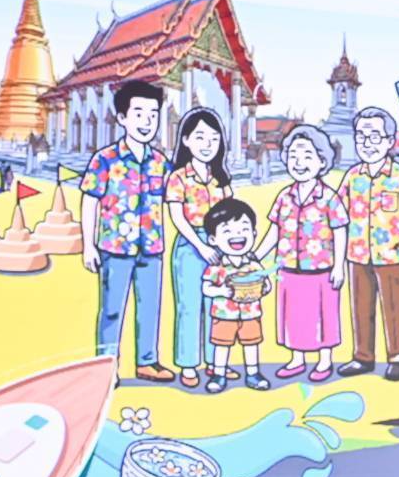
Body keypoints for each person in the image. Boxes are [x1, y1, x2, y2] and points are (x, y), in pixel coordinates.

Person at [80, 79, 175, 382]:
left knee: (149, 308)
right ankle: (106, 367)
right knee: (111, 310)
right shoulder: (105, 160)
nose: (147, 121)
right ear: (122, 118)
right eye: (139, 114)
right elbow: (90, 201)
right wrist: (88, 245)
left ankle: (147, 361)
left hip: (152, 246)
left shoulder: (161, 162)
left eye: (153, 114)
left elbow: (176, 198)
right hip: (115, 246)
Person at [336, 106, 399, 382]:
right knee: (361, 307)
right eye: (361, 137)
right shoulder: (353, 177)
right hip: (358, 254)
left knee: (395, 307)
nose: (367, 143)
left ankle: (397, 357)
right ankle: (362, 356)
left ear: (389, 141)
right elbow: (338, 212)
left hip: (393, 255)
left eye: (375, 136)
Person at [258, 124, 349, 382]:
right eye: (293, 156)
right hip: (288, 267)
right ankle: (297, 358)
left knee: (323, 315)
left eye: (307, 156)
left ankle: (324, 359)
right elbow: (275, 231)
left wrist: (339, 266)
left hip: (321, 269)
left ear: (322, 162)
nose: (299, 163)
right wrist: (256, 256)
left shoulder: (328, 197)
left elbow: (340, 231)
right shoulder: (284, 197)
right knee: (293, 315)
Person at [164, 108, 234, 388]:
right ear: (186, 140)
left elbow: (230, 213)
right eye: (201, 137)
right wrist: (200, 245)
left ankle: (216, 362)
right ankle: (188, 364)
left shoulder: (221, 178)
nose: (208, 144)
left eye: (214, 139)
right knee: (189, 306)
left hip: (220, 245)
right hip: (190, 245)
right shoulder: (179, 177)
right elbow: (177, 217)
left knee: (216, 305)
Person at [200, 198, 271, 393]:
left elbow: (265, 283)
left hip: (251, 313)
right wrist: (221, 291)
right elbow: (206, 288)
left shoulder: (254, 265)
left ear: (254, 234)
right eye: (228, 231)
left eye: (244, 229)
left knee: (252, 344)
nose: (237, 235)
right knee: (222, 346)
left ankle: (253, 373)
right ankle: (219, 374)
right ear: (213, 239)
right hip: (224, 315)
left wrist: (265, 287)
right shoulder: (217, 266)